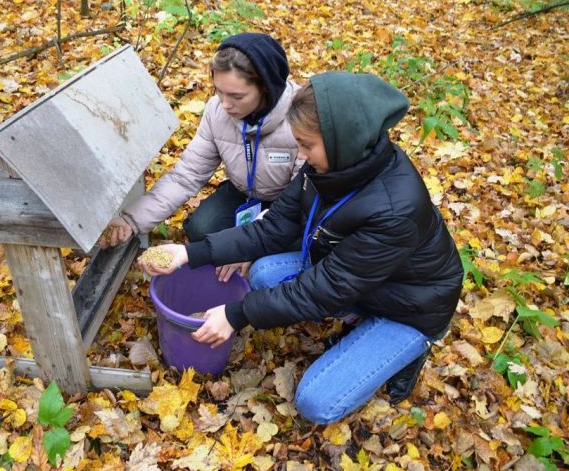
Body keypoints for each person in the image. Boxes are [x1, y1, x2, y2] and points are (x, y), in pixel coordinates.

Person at [138, 71, 464, 424]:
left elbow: (324, 291)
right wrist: (189, 254)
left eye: (308, 144)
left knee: (315, 403)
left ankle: (409, 349)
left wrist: (235, 314)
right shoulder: (327, 168)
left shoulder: (394, 209)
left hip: (408, 308)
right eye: (299, 143)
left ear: (345, 141)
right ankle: (356, 318)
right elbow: (273, 228)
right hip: (357, 280)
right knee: (262, 273)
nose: (302, 154)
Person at [101, 33, 302, 279]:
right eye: (219, 91)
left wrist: (248, 246)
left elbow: (301, 201)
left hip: (290, 206)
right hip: (245, 195)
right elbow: (186, 176)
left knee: (279, 252)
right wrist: (131, 220)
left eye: (237, 96)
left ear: (267, 88)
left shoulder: (301, 120)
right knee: (201, 227)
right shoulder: (217, 112)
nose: (225, 104)